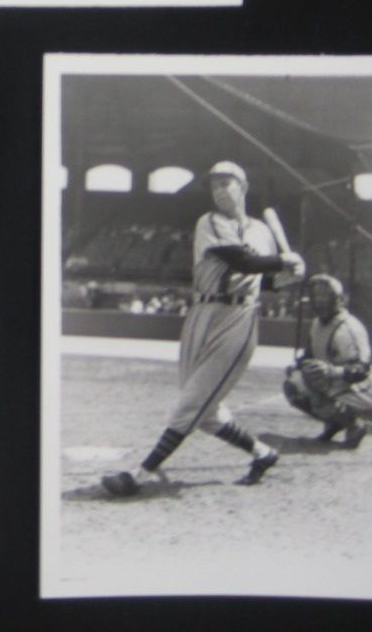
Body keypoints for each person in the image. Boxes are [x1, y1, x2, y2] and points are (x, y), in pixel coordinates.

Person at [102, 161, 304, 495]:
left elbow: (265, 280)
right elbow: (242, 261)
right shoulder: (209, 222)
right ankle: (263, 453)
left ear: (243, 187)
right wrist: (285, 260)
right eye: (215, 185)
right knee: (204, 410)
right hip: (202, 313)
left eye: (227, 183)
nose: (220, 190)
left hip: (238, 319)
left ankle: (139, 475)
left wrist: (290, 275)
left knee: (190, 404)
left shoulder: (262, 231)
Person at [282, 275, 372, 447]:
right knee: (294, 386)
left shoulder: (348, 328)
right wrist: (298, 365)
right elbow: (311, 354)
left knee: (317, 391)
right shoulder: (317, 323)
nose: (319, 301)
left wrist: (332, 372)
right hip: (338, 382)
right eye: (316, 296)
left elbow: (362, 369)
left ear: (339, 300)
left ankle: (354, 425)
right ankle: (336, 422)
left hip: (363, 388)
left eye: (325, 296)